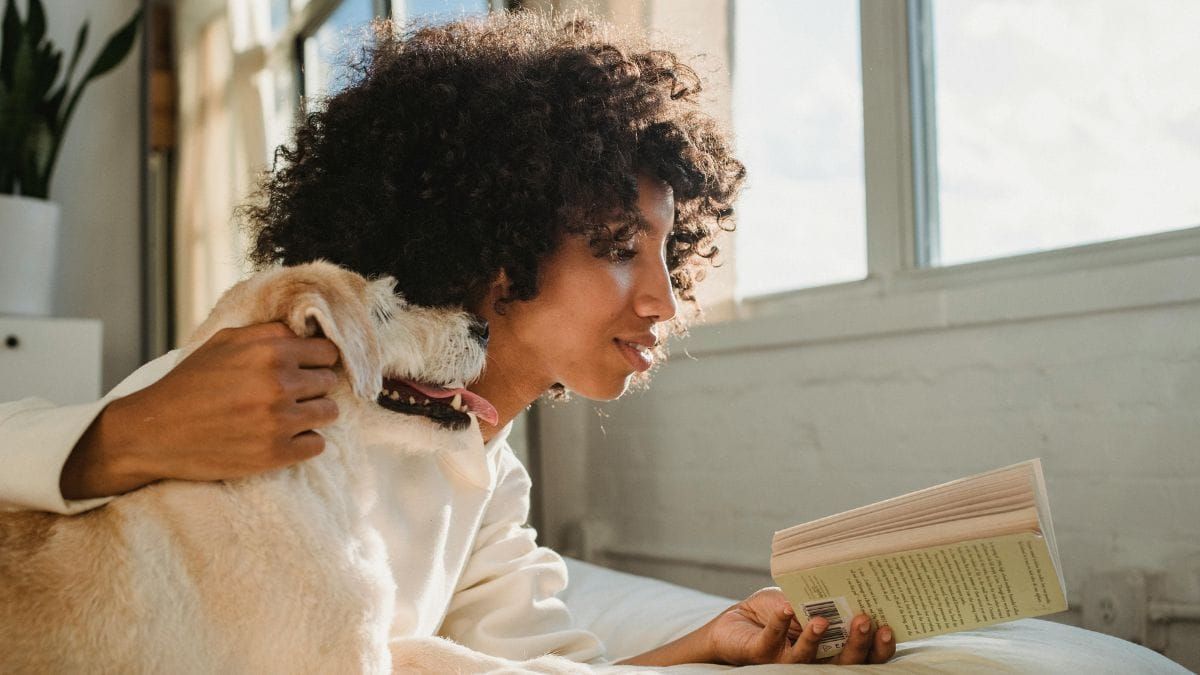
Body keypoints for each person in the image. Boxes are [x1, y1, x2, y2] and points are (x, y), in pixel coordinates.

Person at [0, 11, 894, 667]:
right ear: (496, 246)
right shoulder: (296, 376)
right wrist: (127, 433)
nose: (664, 300)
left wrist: (708, 646)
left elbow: (539, 663)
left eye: (669, 253)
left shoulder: (491, 471)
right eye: (623, 248)